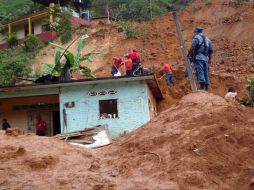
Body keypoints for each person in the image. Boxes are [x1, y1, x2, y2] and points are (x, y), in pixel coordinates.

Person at [188, 26, 213, 91]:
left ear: (196, 32)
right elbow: (210, 50)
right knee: (205, 72)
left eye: (195, 32)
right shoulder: (207, 39)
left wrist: (188, 53)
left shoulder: (196, 38)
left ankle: (202, 87)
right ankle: (206, 88)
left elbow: (192, 47)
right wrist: (210, 59)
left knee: (200, 71)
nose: (194, 33)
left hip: (199, 57)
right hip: (206, 58)